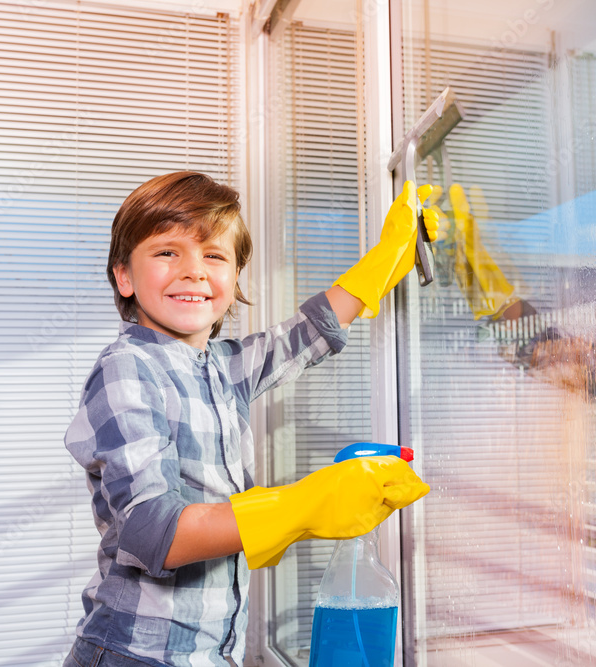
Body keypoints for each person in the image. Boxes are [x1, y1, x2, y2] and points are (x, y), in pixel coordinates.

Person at [63, 171, 436, 667]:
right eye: (167, 252)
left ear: (234, 278)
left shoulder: (220, 365)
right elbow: (152, 530)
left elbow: (307, 333)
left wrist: (390, 257)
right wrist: (301, 506)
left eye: (213, 255)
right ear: (124, 276)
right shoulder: (126, 369)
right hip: (134, 654)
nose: (194, 270)